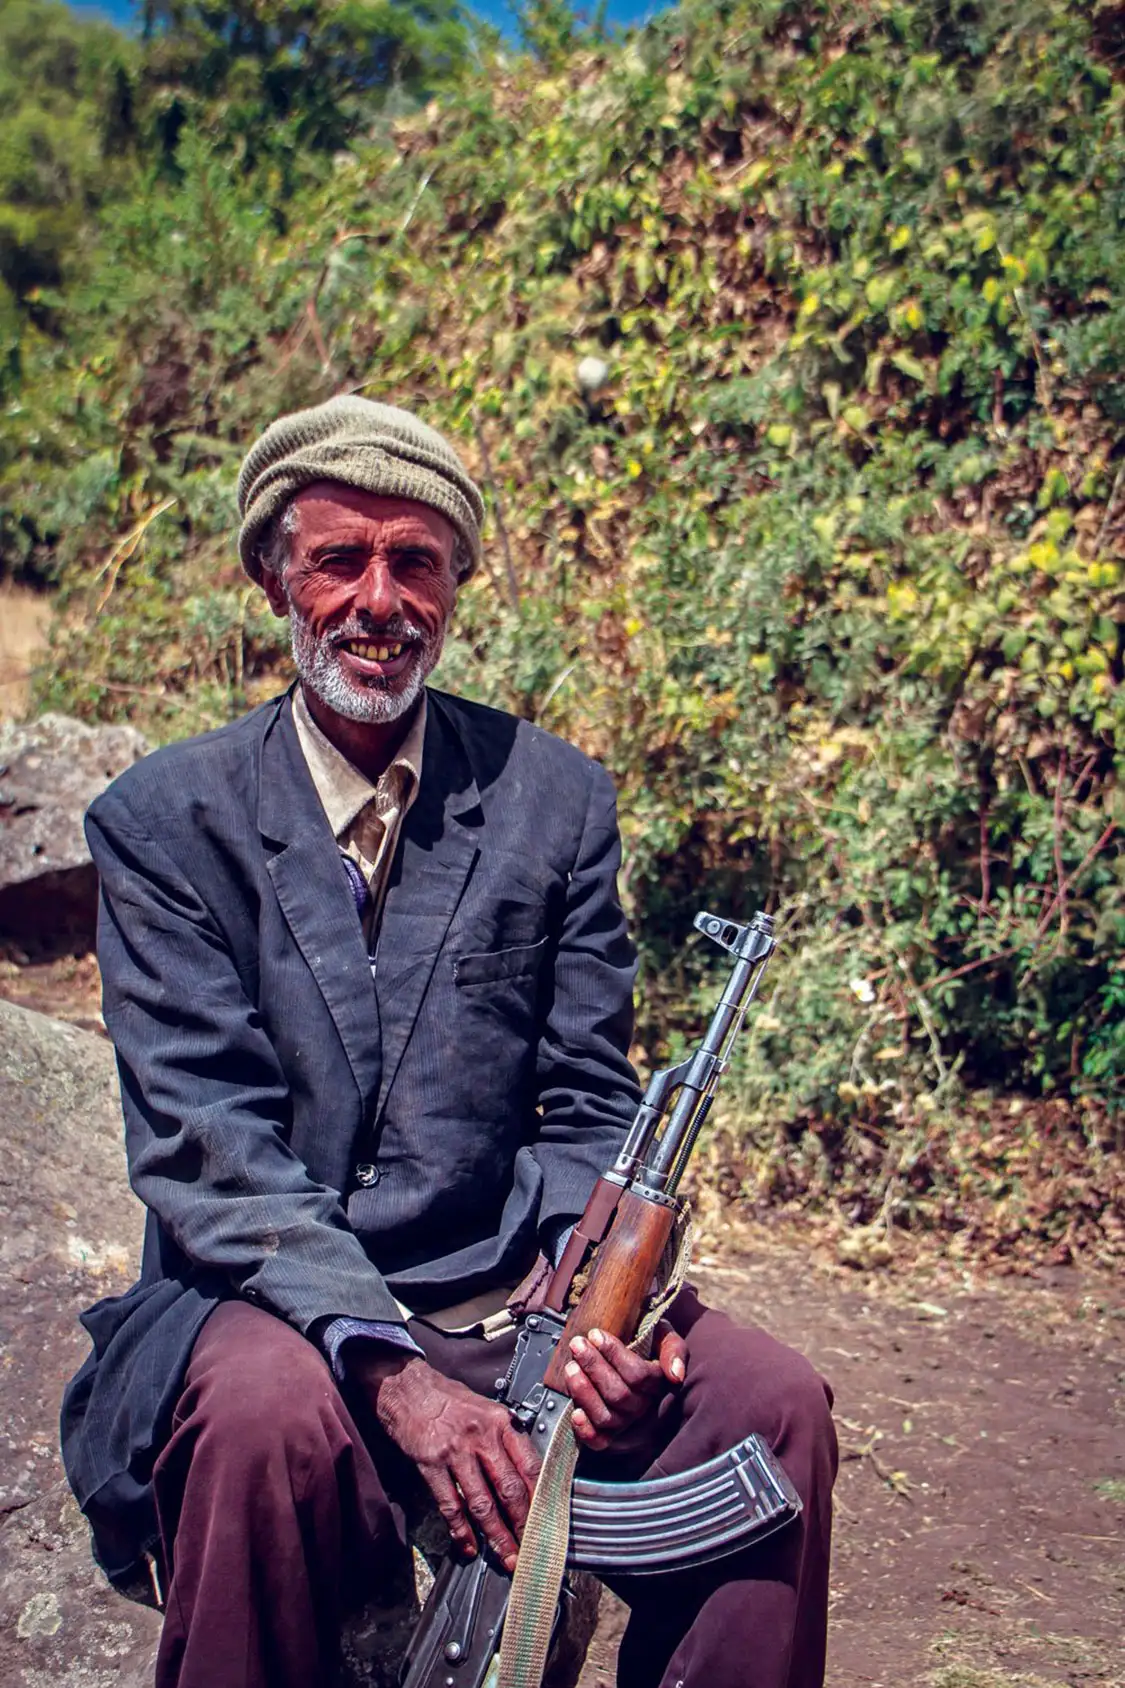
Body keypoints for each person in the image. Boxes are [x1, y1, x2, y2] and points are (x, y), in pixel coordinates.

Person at [60, 397, 838, 1688]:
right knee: (265, 1419)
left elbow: (590, 1101)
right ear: (275, 577)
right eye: (339, 561)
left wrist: (596, 1314)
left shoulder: (554, 800)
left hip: (507, 1304)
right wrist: (395, 1380)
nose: (379, 599)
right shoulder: (163, 823)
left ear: (459, 583)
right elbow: (212, 1158)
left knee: (776, 1409)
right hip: (271, 1313)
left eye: (415, 561)